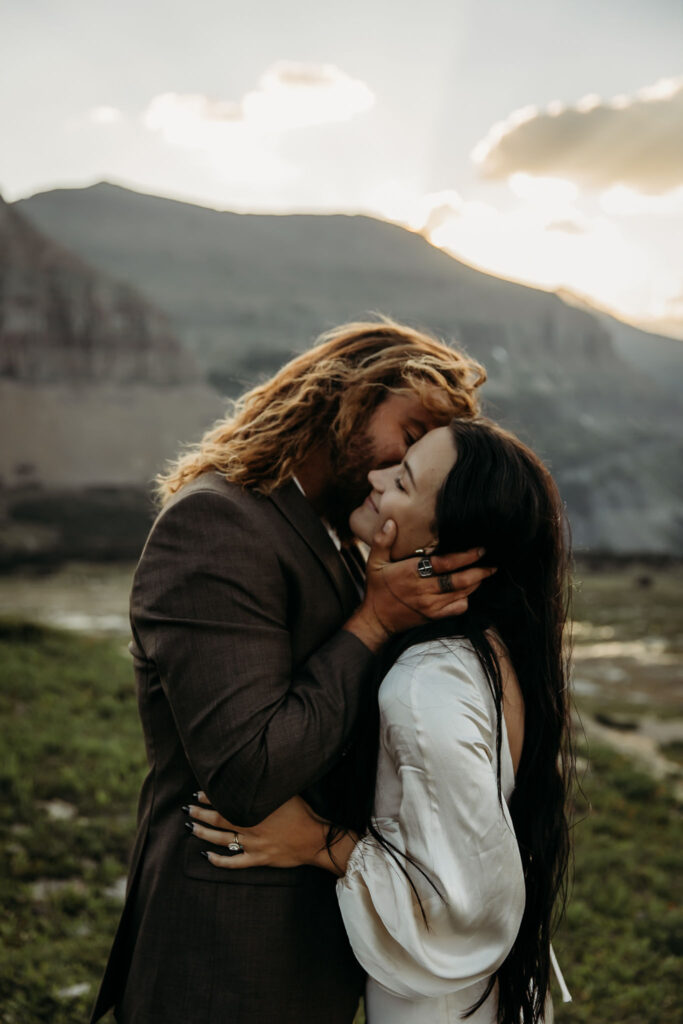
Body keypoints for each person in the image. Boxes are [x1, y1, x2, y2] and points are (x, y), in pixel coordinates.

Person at [89, 320, 494, 1024]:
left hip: (308, 943)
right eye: (412, 428)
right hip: (224, 954)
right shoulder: (217, 525)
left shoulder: (324, 530)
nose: (410, 458)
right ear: (346, 396)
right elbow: (248, 771)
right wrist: (372, 622)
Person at [185, 418, 574, 1024]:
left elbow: (466, 902)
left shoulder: (428, 684)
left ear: (444, 542)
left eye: (403, 479)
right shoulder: (491, 648)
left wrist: (317, 841)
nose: (374, 476)